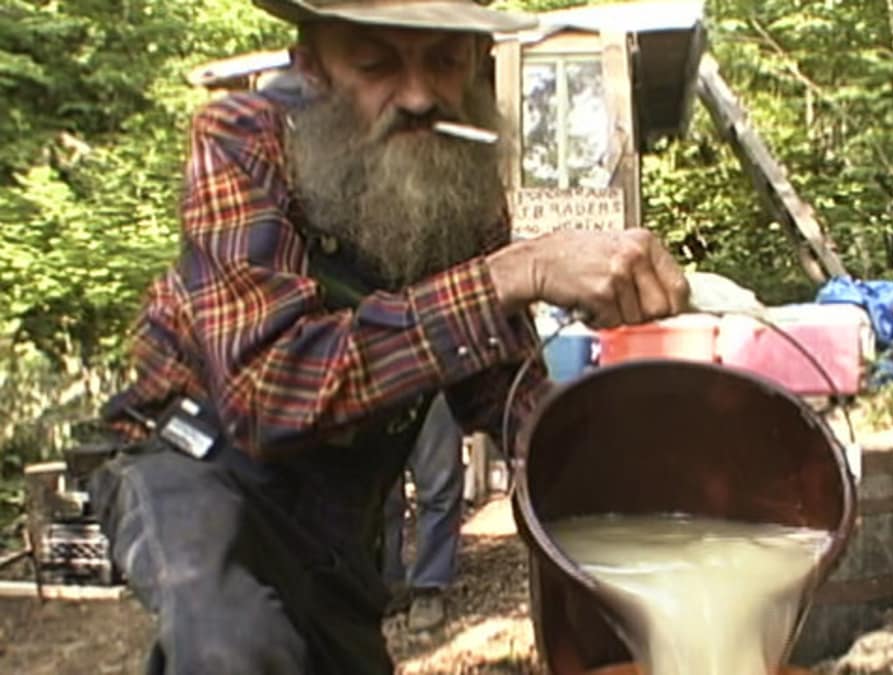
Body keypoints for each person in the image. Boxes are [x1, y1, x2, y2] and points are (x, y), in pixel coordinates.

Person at [87, 0, 691, 673]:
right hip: (194, 463)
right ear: (311, 65)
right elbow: (267, 391)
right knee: (236, 647)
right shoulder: (243, 138)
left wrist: (619, 473)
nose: (418, 94)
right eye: (375, 63)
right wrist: (516, 270)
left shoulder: (457, 184)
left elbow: (502, 388)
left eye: (443, 60)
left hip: (336, 508)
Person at [381, 393, 463, 631]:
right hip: (373, 375)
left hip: (431, 372)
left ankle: (428, 586)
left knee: (440, 483)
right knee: (380, 491)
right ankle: (385, 580)